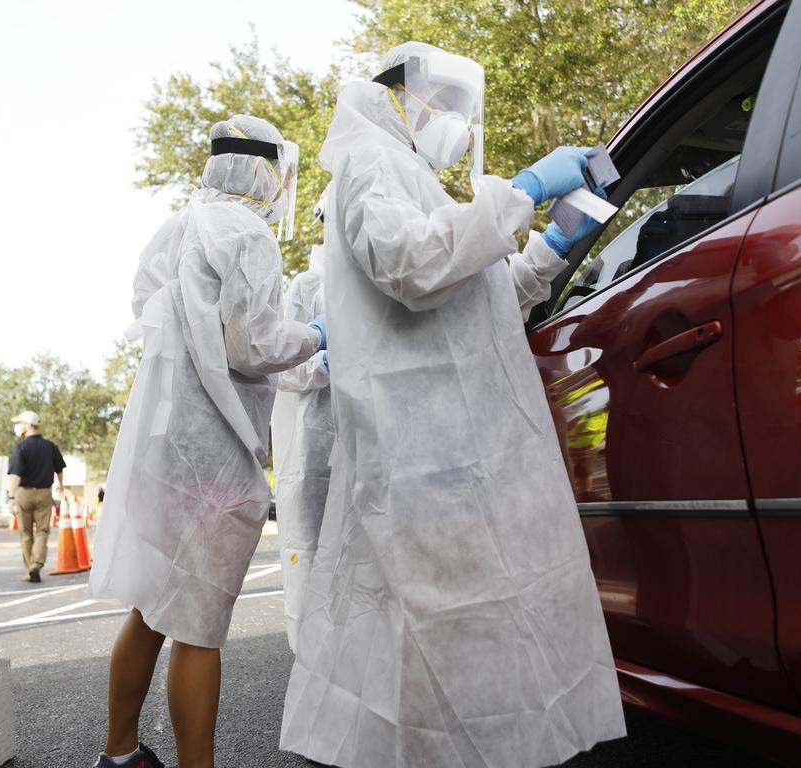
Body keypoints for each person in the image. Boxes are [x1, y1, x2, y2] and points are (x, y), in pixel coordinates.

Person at [280, 42, 626, 768]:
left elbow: (482, 296)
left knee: (451, 638)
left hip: (449, 457)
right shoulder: (372, 165)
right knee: (436, 638)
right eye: (441, 107)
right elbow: (416, 267)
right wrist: (525, 190)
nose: (452, 125)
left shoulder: (411, 179)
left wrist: (554, 248)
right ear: (396, 99)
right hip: (422, 460)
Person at [89, 115, 325, 768]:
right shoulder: (246, 231)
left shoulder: (178, 226)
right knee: (200, 627)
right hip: (214, 461)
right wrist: (317, 335)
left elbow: (152, 310)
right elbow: (252, 344)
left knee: (152, 611)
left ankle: (119, 753)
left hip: (165, 454)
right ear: (260, 169)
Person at [271, 185, 335, 652]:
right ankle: (314, 665)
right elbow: (281, 366)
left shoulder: (388, 277)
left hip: (373, 448)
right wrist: (325, 362)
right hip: (314, 453)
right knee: (311, 559)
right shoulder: (306, 288)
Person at [7, 410, 65, 583]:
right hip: (44, 493)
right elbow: (59, 469)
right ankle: (37, 564)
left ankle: (29, 567)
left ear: (28, 424)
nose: (18, 426)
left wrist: (11, 497)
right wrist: (61, 485)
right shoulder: (50, 446)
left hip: (24, 493)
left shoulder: (20, 447)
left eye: (20, 423)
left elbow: (15, 475)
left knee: (25, 533)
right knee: (42, 531)